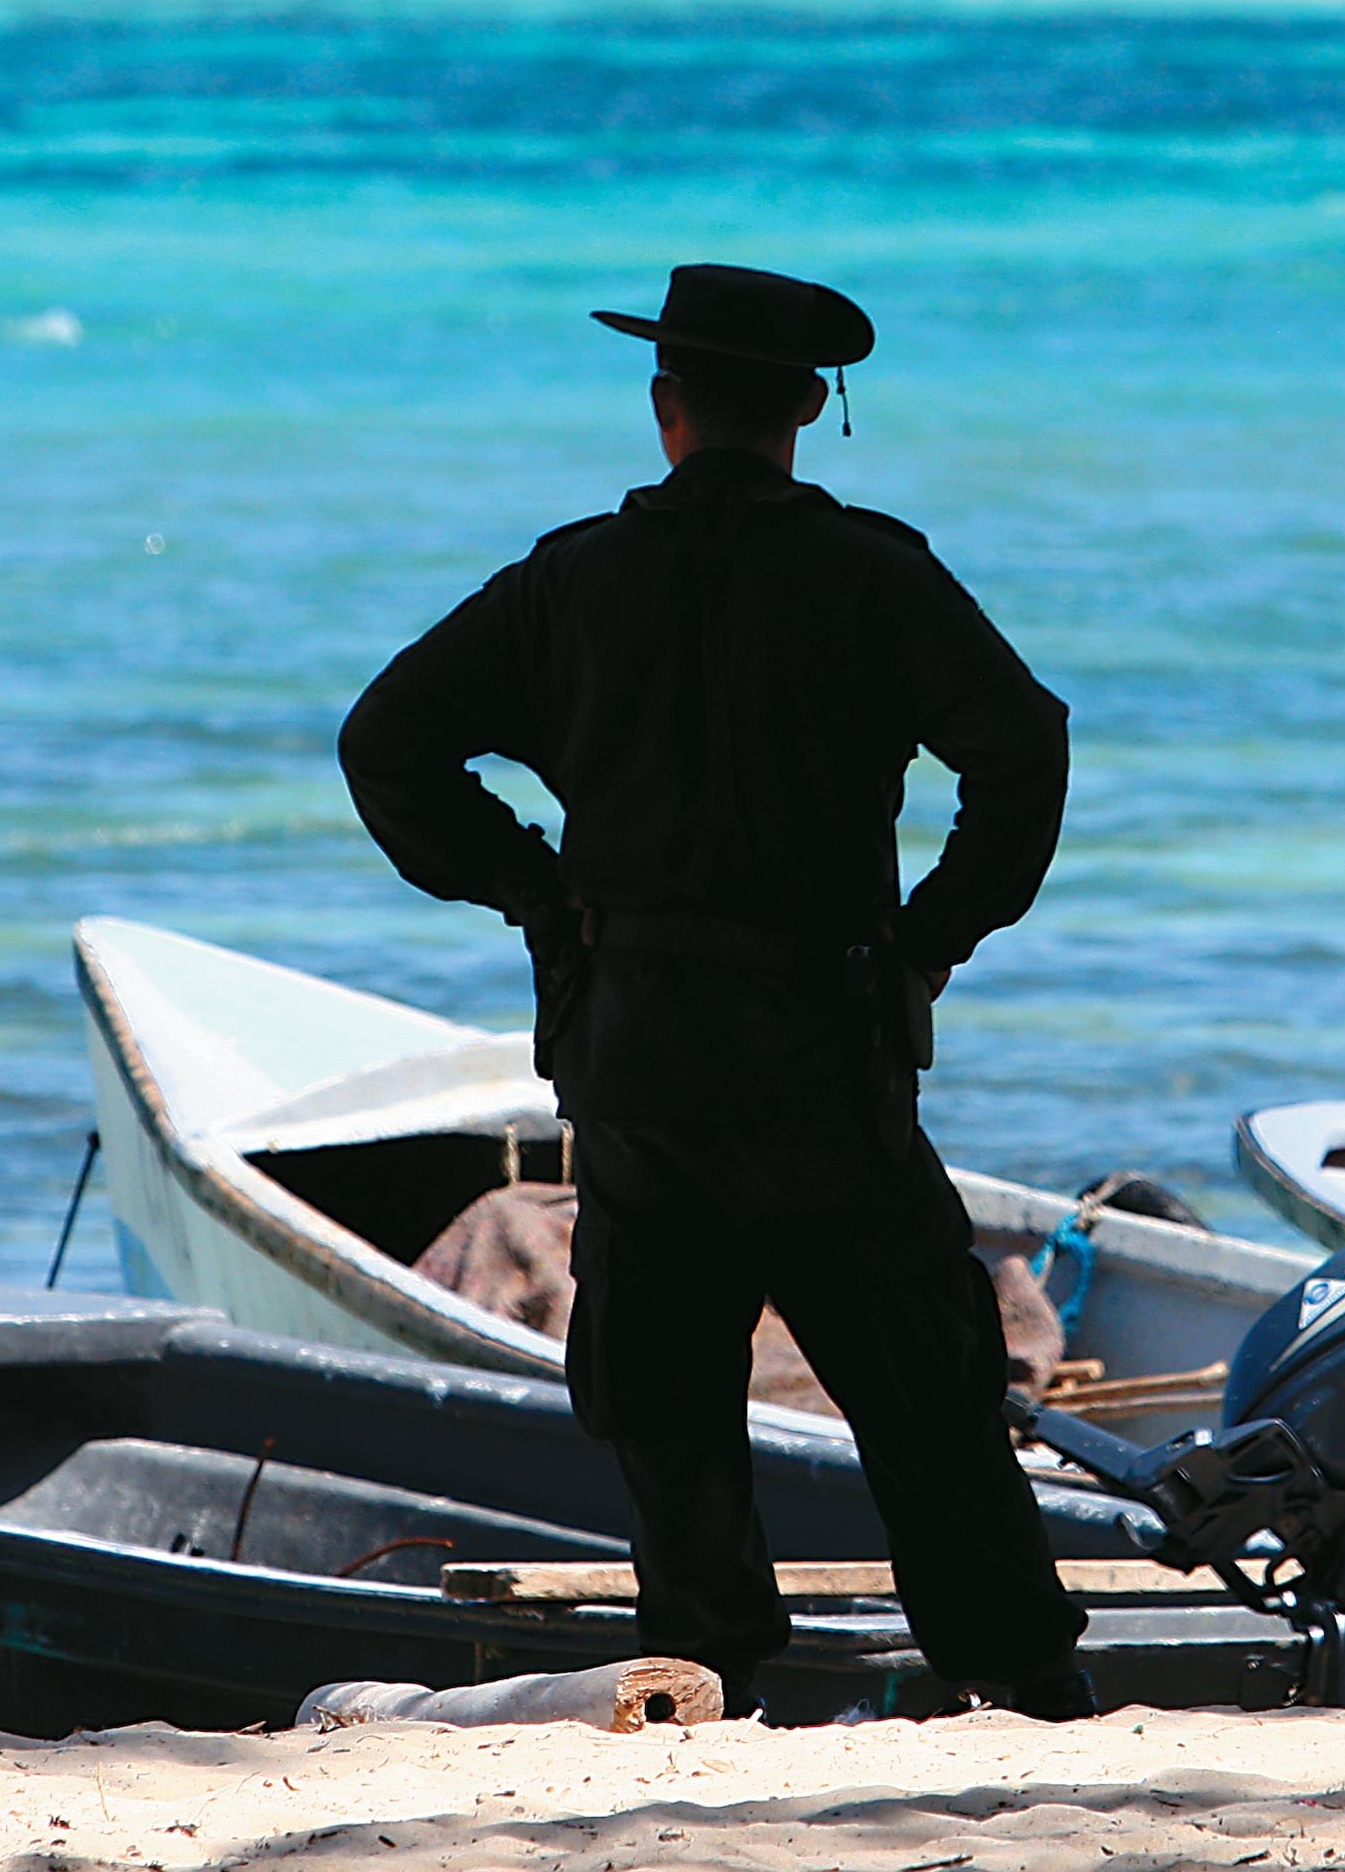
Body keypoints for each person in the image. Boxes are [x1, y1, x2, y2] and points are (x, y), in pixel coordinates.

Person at [337, 263, 1093, 1718]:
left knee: (668, 1396)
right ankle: (1011, 1669)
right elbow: (1023, 749)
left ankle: (708, 1673)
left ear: (663, 405)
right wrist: (939, 930)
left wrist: (531, 888)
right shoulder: (873, 573)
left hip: (636, 1051)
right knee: (925, 1390)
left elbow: (388, 745)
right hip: (825, 1049)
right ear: (810, 405)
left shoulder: (569, 582)